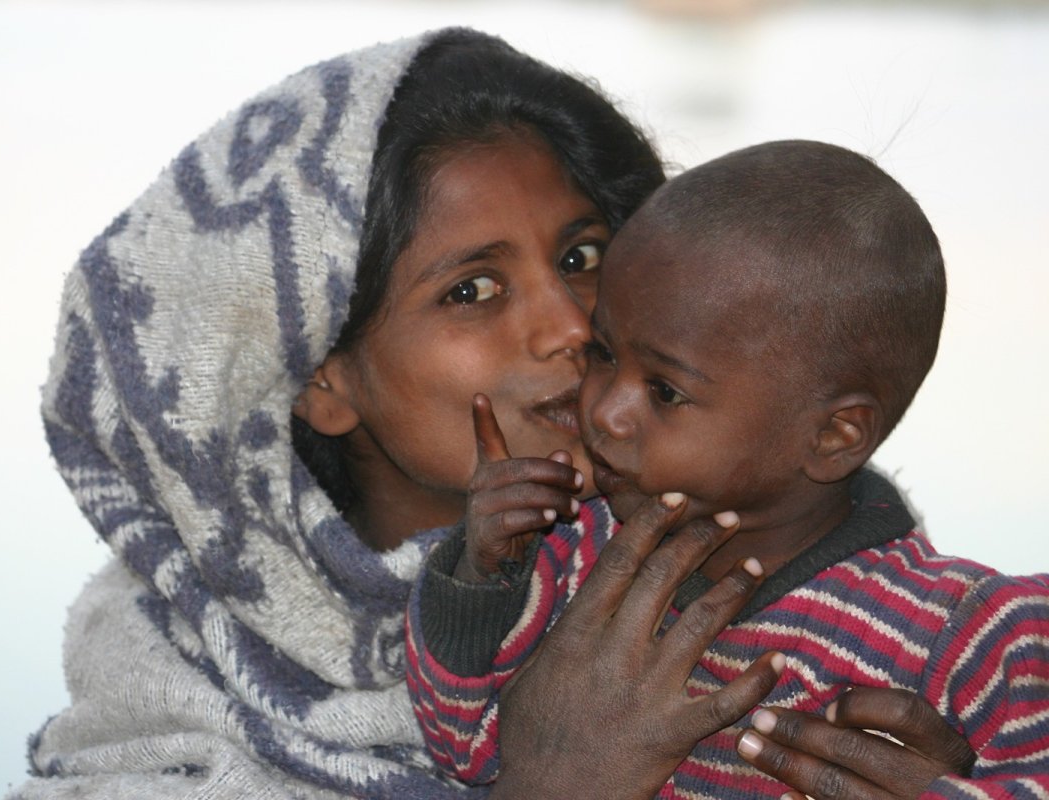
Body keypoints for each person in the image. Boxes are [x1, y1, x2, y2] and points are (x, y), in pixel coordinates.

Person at [12, 27, 774, 799]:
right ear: (323, 383)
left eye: (581, 258)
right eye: (472, 290)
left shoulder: (759, 570)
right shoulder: (169, 736)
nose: (571, 326)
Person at [406, 139, 1049, 798]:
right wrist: (481, 584)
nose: (605, 412)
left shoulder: (958, 632)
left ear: (833, 435)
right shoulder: (576, 553)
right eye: (603, 352)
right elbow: (464, 750)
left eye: (665, 391)